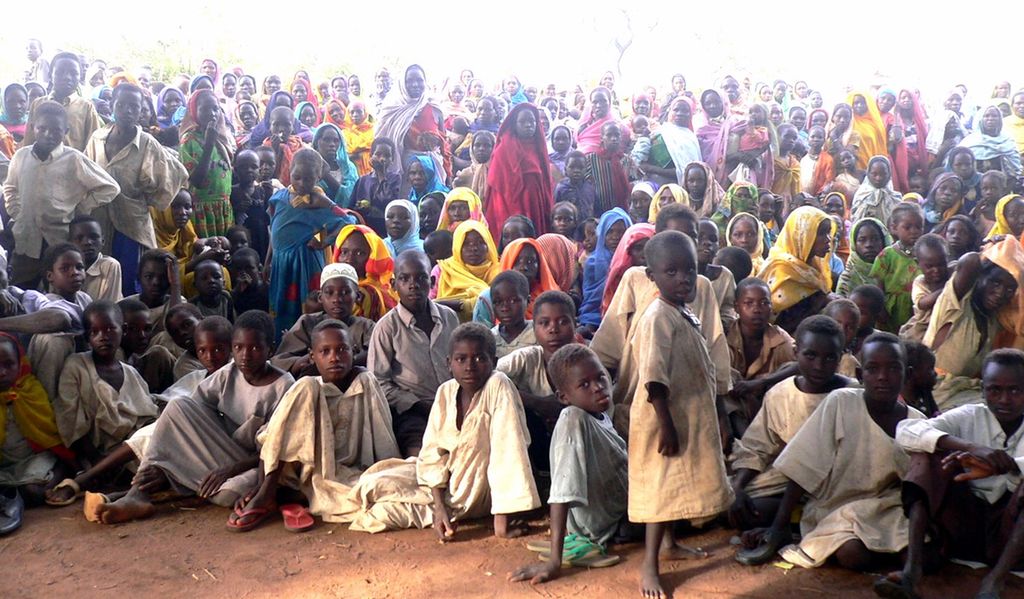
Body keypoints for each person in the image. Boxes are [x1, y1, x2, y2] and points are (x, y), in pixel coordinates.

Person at [737, 333, 924, 573]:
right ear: (859, 375)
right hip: (836, 507)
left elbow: (916, 487)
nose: (883, 377)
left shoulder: (917, 422)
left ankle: (900, 566)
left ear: (906, 373)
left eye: (893, 368)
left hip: (884, 508)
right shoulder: (842, 403)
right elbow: (803, 463)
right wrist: (777, 528)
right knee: (852, 555)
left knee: (924, 553)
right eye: (872, 369)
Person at [92, 311, 293, 525]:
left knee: (229, 494)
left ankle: (166, 481)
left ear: (270, 348)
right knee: (178, 405)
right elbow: (193, 413)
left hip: (253, 463)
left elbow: (275, 448)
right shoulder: (228, 373)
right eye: (238, 347)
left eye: (254, 348)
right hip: (218, 452)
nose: (245, 355)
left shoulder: (284, 387)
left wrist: (230, 470)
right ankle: (137, 494)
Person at [346, 322, 541, 536]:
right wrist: (439, 508)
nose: (470, 366)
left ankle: (453, 509)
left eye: (479, 358)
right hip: (446, 484)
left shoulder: (498, 384)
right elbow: (432, 453)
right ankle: (437, 507)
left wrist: (502, 520)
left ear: (493, 362)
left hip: (477, 488)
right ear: (449, 363)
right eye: (461, 359)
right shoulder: (445, 392)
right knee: (371, 483)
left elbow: (508, 451)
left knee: (379, 515)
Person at [627, 231, 733, 599]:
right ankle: (649, 567)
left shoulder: (683, 310)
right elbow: (654, 379)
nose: (683, 278)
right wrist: (666, 424)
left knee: (672, 487)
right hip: (662, 419)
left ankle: (670, 544)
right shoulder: (658, 317)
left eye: (690, 270)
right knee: (659, 494)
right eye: (671, 272)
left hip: (682, 416)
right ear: (651, 274)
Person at [231, 320, 400, 530]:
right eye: (325, 351)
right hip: (292, 471)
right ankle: (268, 491)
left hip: (342, 473)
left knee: (392, 489)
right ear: (312, 356)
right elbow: (273, 439)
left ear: (354, 351)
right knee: (307, 386)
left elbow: (383, 439)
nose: (334, 358)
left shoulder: (365, 381)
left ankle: (291, 496)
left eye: (342, 350)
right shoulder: (305, 385)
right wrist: (260, 486)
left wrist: (389, 472)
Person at [884, 348, 1024, 599]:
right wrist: (972, 448)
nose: (1004, 399)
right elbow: (906, 432)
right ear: (982, 391)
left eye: (1015, 390)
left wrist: (1009, 464)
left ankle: (995, 581)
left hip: (1010, 535)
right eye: (995, 390)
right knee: (925, 456)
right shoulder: (970, 415)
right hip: (963, 527)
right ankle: (911, 572)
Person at [508, 344, 628, 583]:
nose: (597, 388)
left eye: (601, 378)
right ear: (563, 397)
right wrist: (554, 560)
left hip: (617, 511)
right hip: (609, 525)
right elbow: (562, 491)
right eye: (584, 384)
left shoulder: (600, 414)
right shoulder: (573, 418)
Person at [729, 315, 852, 531]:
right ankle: (796, 521)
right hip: (788, 482)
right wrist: (738, 488)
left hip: (838, 488)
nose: (819, 365)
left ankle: (794, 525)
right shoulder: (781, 394)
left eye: (830, 358)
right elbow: (757, 447)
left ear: (840, 357)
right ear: (796, 353)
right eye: (810, 355)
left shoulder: (853, 396)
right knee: (738, 509)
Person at [85, 83, 189, 296]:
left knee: (130, 278)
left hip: (132, 223)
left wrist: (148, 196)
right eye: (121, 104)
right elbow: (85, 174)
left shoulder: (147, 144)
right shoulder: (97, 138)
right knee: (101, 276)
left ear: (142, 109)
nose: (127, 110)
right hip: (100, 220)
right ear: (112, 105)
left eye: (134, 105)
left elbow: (176, 175)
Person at [3, 101, 120, 289]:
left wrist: (82, 207)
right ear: (33, 127)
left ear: (66, 130)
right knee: (20, 287)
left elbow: (110, 187)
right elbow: (10, 187)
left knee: (59, 290)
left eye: (56, 130)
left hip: (59, 238)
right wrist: (17, 212)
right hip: (26, 238)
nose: (49, 134)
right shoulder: (21, 156)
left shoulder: (73, 159)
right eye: (42, 128)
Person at [368, 250, 460, 457]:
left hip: (453, 403)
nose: (413, 285)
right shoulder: (386, 328)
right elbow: (378, 382)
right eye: (404, 278)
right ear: (393, 284)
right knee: (423, 456)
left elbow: (460, 362)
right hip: (412, 411)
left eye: (421, 278)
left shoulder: (449, 318)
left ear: (432, 280)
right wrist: (417, 404)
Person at [54, 301, 159, 467]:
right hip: (93, 454)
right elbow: (70, 421)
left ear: (123, 330)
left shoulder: (131, 374)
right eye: (94, 332)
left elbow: (147, 417)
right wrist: (96, 459)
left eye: (109, 329)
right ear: (87, 337)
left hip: (130, 451)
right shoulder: (76, 366)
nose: (102, 336)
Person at [923, 237, 1024, 411]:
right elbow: (970, 262)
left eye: (1009, 289)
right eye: (995, 282)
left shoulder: (995, 319)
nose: (1000, 293)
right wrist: (997, 245)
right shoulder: (956, 303)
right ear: (980, 276)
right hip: (935, 392)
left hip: (966, 393)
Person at [267, 148, 356, 336]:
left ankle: (308, 345)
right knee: (280, 305)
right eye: (296, 176)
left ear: (317, 179)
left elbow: (348, 221)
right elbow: (273, 231)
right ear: (289, 171)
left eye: (308, 179)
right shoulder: (278, 199)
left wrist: (322, 240)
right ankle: (284, 345)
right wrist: (268, 261)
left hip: (304, 264)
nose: (301, 183)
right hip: (280, 263)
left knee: (307, 308)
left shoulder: (317, 202)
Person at [724, 278, 797, 436]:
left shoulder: (780, 340)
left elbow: (800, 365)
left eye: (764, 303)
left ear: (771, 307)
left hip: (767, 412)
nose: (757, 309)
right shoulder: (723, 337)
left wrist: (762, 382)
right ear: (737, 307)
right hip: (732, 415)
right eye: (748, 303)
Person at [272, 263, 374, 376]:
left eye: (345, 292)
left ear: (358, 296)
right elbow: (279, 361)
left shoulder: (366, 327)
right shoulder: (307, 322)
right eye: (329, 293)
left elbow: (375, 354)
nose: (337, 299)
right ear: (320, 297)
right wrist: (314, 360)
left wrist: (345, 362)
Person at [757, 206, 834, 333]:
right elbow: (776, 323)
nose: (828, 239)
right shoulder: (782, 270)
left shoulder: (816, 266)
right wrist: (821, 301)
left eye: (829, 232)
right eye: (821, 233)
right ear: (802, 235)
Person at [485, 103, 553, 241]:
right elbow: (498, 190)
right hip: (509, 206)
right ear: (514, 124)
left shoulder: (539, 147)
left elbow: (546, 182)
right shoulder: (503, 150)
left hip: (535, 205)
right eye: (523, 122)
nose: (528, 125)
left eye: (532, 121)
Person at [374, 65, 449, 188]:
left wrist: (448, 172)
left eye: (419, 80)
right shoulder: (392, 111)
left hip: (433, 170)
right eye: (410, 81)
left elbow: (444, 146)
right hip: (407, 173)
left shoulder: (435, 109)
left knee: (433, 204)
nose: (415, 85)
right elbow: (382, 144)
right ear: (402, 83)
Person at [179, 89, 236, 238]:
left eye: (215, 108)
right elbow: (196, 180)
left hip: (223, 209)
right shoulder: (190, 140)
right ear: (193, 111)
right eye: (204, 109)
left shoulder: (221, 138)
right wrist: (209, 144)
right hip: (202, 210)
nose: (212, 113)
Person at [21, 52, 102, 152]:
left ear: (80, 77)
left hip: (72, 166)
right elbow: (29, 142)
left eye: (73, 73)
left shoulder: (86, 107)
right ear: (50, 75)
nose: (67, 77)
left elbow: (93, 147)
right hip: (41, 165)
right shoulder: (38, 104)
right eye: (60, 72)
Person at [869, 202, 925, 332]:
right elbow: (879, 285)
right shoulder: (887, 254)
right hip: (890, 310)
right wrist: (881, 309)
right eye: (908, 227)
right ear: (894, 228)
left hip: (916, 308)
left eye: (919, 227)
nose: (914, 231)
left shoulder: (924, 254)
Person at [578, 208, 631, 334]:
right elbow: (591, 298)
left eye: (621, 232)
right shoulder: (593, 262)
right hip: (595, 315)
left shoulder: (631, 262)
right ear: (602, 234)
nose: (615, 237)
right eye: (610, 232)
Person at [435, 220, 500, 322]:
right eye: (466, 243)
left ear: (489, 245)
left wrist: (461, 305)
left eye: (480, 242)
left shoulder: (499, 272)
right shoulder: (445, 269)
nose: (473, 248)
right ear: (457, 246)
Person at [333, 224, 397, 321]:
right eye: (344, 252)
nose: (349, 259)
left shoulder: (367, 293)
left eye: (359, 253)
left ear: (373, 256)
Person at [899, 234, 951, 343]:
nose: (936, 270)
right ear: (918, 263)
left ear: (948, 258)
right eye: (929, 266)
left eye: (941, 264)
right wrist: (947, 289)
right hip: (923, 324)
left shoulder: (952, 273)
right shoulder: (921, 282)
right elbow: (922, 303)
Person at [639, 97, 700, 187]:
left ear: (690, 114)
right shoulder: (659, 133)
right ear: (670, 111)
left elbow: (687, 172)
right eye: (676, 110)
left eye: (685, 110)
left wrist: (652, 168)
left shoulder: (691, 139)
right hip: (652, 185)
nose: (680, 113)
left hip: (676, 189)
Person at [351, 138, 402, 234]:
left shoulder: (395, 178)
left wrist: (381, 173)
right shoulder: (362, 180)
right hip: (364, 228)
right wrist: (359, 207)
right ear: (371, 156)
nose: (382, 159)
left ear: (392, 160)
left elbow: (387, 201)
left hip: (384, 229)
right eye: (378, 154)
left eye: (387, 156)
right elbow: (351, 208)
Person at [959, 104, 1023, 179]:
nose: (991, 119)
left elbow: (1015, 171)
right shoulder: (969, 142)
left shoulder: (1008, 141)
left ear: (1000, 119)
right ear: (980, 119)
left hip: (1003, 186)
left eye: (995, 116)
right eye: (986, 116)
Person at [69, 215, 122, 303]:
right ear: (70, 242)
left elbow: (109, 306)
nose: (87, 242)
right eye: (79, 238)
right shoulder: (65, 267)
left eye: (93, 237)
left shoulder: (109, 265)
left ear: (103, 241)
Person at [836, 218, 890, 297]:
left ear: (884, 241)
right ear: (854, 244)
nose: (869, 245)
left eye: (875, 239)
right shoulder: (848, 279)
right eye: (862, 240)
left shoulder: (896, 270)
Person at [312, 123, 359, 207]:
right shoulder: (309, 166)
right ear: (316, 142)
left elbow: (351, 198)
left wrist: (326, 176)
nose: (332, 144)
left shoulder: (348, 168)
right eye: (326, 140)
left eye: (336, 140)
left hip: (346, 215)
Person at [851, 156, 902, 225]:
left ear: (889, 174)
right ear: (868, 174)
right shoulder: (861, 196)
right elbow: (855, 220)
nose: (878, 178)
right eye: (874, 174)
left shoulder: (895, 198)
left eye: (883, 174)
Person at [553, 151, 597, 221]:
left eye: (580, 167)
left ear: (586, 169)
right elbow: (555, 211)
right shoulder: (561, 189)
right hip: (567, 227)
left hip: (586, 226)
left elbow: (595, 207)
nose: (576, 170)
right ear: (565, 169)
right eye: (572, 167)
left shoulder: (590, 187)